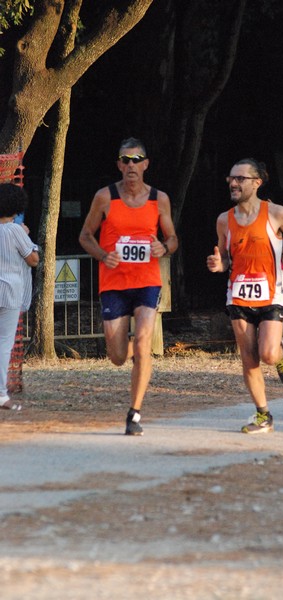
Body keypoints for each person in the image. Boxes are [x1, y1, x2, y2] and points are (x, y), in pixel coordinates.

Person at [79, 137, 178, 436]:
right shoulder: (105, 197)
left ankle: (134, 413)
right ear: (119, 165)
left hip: (147, 282)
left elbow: (172, 239)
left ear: (146, 164)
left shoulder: (159, 199)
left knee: (144, 342)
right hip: (114, 284)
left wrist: (165, 247)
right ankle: (132, 360)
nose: (131, 165)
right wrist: (102, 255)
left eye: (137, 159)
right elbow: (85, 235)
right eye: (126, 159)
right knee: (118, 355)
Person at [207, 158, 283, 434]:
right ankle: (264, 415)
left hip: (271, 295)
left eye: (240, 178)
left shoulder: (274, 213)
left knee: (268, 354)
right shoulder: (223, 221)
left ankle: (281, 355)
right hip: (238, 296)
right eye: (231, 178)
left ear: (257, 182)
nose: (234, 183)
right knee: (249, 358)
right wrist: (219, 265)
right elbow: (225, 258)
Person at [0, 183, 39, 410]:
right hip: (10, 292)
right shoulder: (15, 230)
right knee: (4, 343)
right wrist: (27, 237)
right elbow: (32, 259)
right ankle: (1, 393)